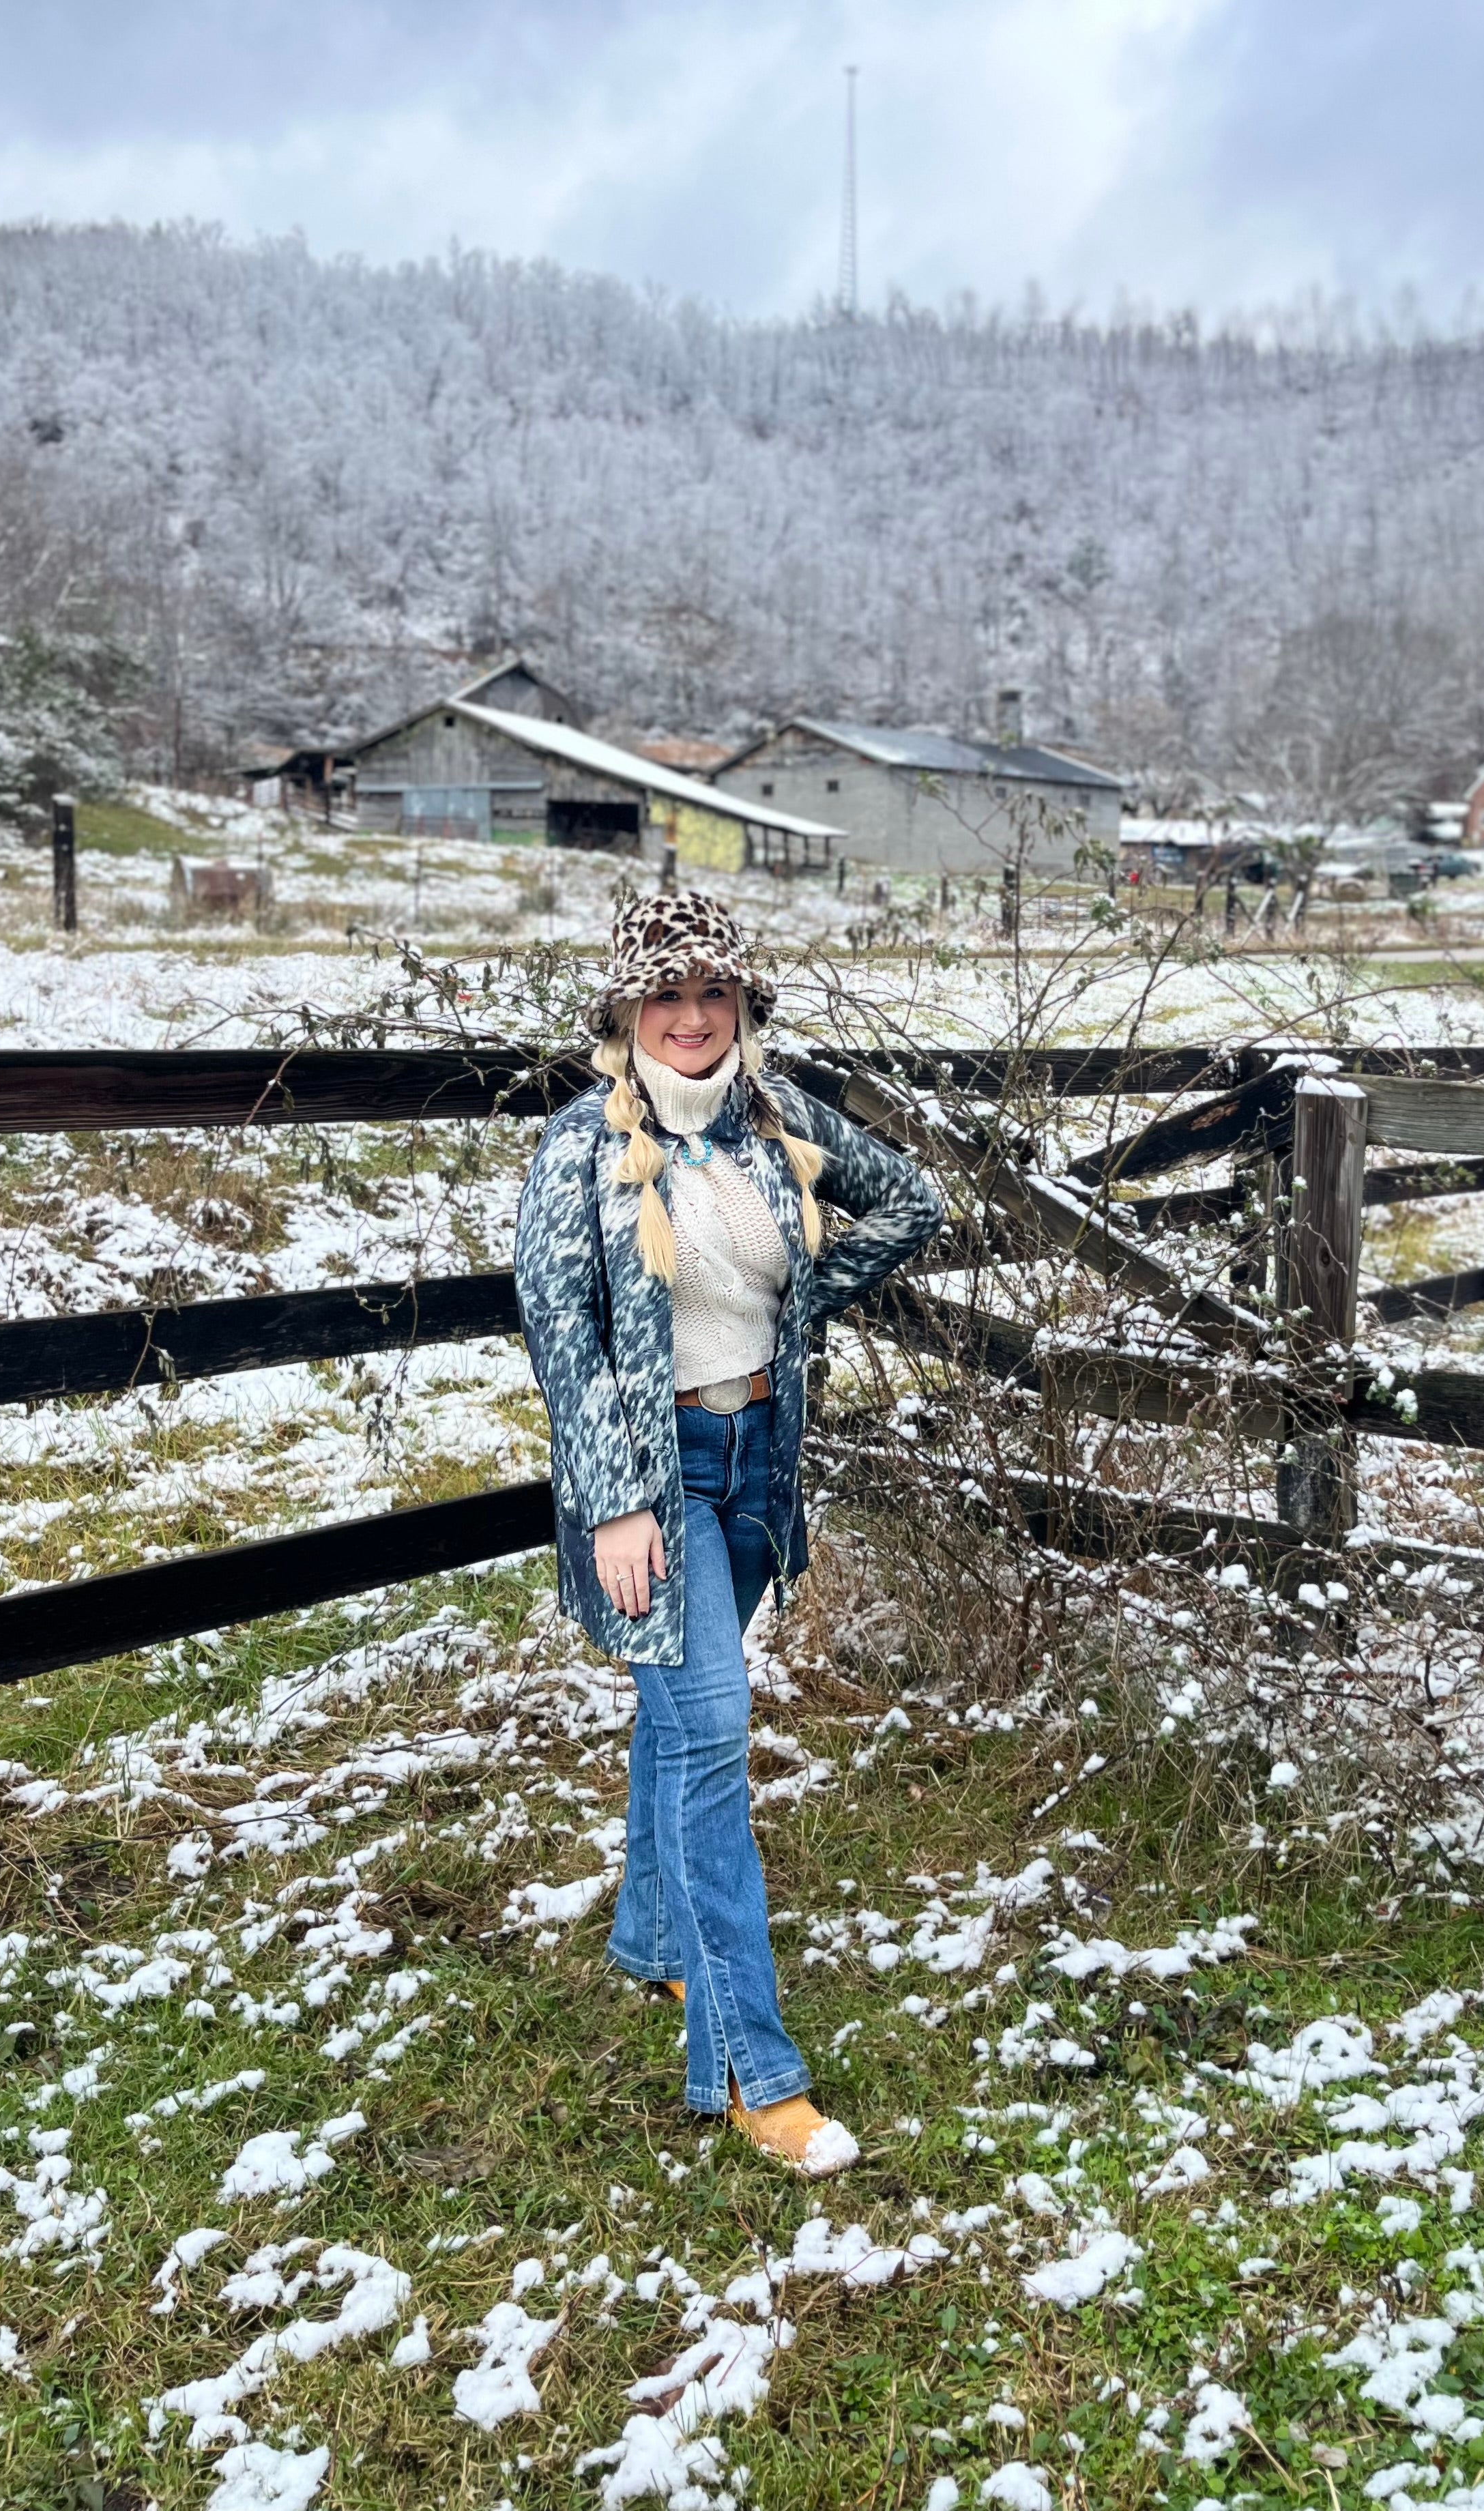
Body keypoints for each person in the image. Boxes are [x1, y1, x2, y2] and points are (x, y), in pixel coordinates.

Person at [517, 892, 942, 2176]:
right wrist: (617, 1503)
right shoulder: (580, 1148)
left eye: (715, 996)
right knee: (710, 1737)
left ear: (742, 1007)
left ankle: (652, 1947)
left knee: (681, 1720)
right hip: (659, 1482)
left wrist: (809, 1293)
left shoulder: (779, 1122)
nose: (692, 1019)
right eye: (666, 997)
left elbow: (913, 1202)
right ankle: (754, 2074)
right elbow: (563, 1339)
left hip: (759, 1463)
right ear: (626, 1011)